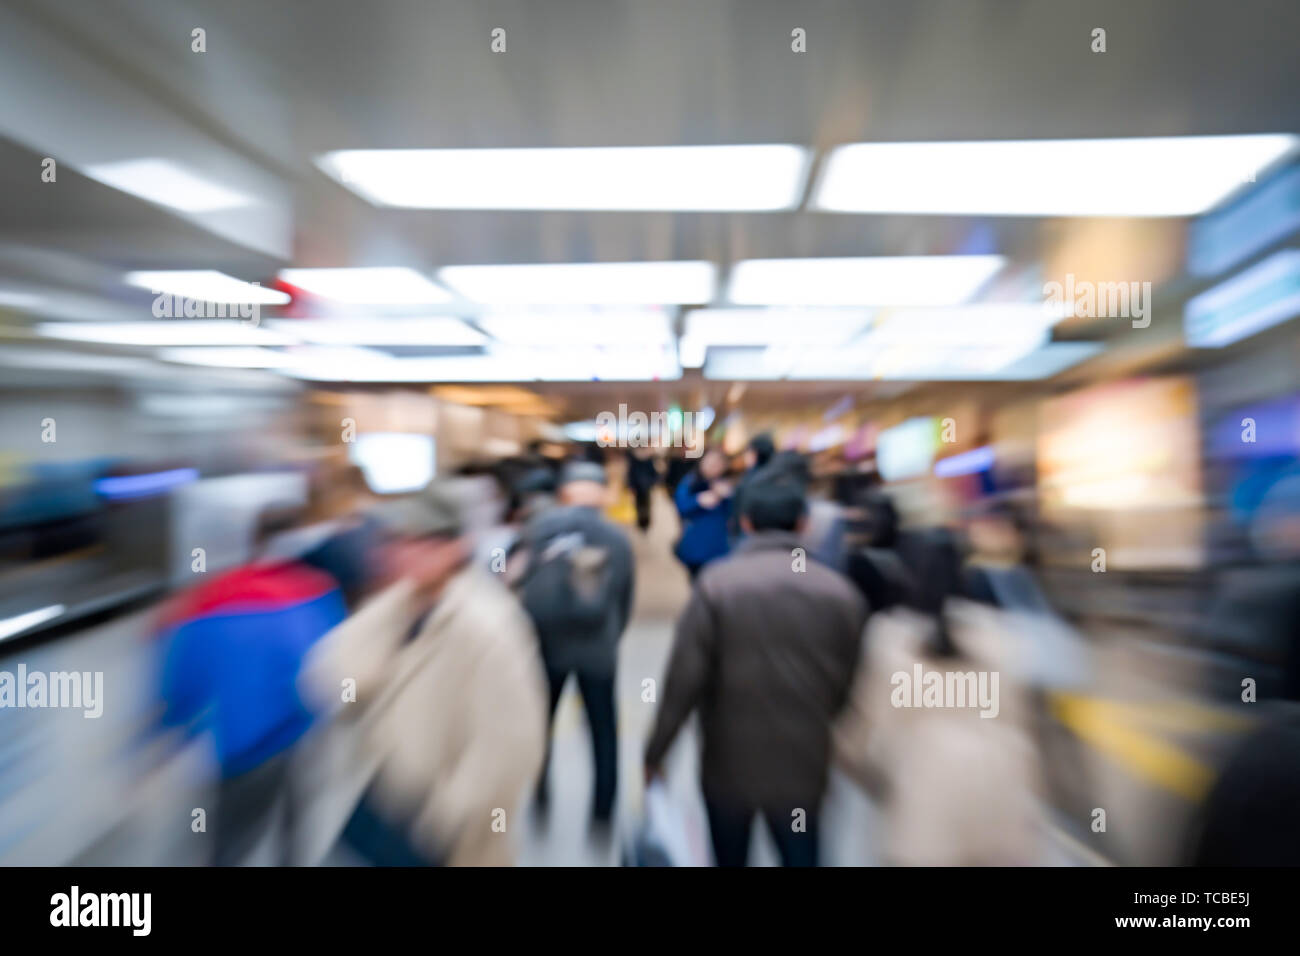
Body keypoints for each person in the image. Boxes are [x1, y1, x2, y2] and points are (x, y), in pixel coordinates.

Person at [299, 480, 548, 866]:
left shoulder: (489, 628)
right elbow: (332, 672)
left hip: (437, 828)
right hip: (383, 798)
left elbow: (511, 747)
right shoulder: (401, 604)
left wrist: (442, 817)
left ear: (453, 548)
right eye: (396, 541)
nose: (400, 554)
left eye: (416, 542)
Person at [645, 471, 867, 866]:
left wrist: (656, 753)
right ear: (804, 524)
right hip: (804, 767)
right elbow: (853, 683)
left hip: (727, 770)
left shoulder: (717, 585)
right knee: (801, 853)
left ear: (745, 523)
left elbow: (684, 680)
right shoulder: (839, 593)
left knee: (730, 856)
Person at [157, 504, 347, 866]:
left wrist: (170, 728)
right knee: (296, 827)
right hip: (301, 732)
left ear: (254, 541)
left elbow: (184, 673)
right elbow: (334, 663)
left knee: (231, 843)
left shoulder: (213, 597)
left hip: (241, 745)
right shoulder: (317, 591)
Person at [517, 461, 635, 828]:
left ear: (564, 493)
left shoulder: (537, 531)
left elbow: (511, 577)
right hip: (597, 649)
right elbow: (624, 597)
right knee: (602, 731)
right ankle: (603, 810)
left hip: (544, 647)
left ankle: (539, 797)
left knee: (540, 725)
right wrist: (612, 635)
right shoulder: (616, 538)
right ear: (601, 493)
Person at [673, 447, 733, 579]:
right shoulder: (690, 482)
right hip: (695, 547)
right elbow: (680, 507)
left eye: (718, 463)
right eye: (710, 462)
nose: (713, 467)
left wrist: (729, 497)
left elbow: (735, 515)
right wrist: (698, 501)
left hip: (719, 549)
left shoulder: (726, 486)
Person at [727, 433, 776, 539]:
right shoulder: (772, 474)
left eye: (748, 451)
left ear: (755, 453)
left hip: (748, 532)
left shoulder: (755, 477)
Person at [625, 447, 660, 532]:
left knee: (646, 505)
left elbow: (653, 472)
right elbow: (631, 472)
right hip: (638, 485)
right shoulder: (633, 457)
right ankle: (641, 522)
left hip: (646, 485)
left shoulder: (648, 457)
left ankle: (645, 523)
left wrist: (653, 481)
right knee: (639, 505)